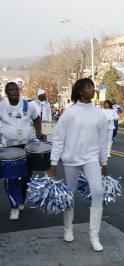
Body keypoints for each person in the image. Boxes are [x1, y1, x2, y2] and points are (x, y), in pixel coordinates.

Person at [49, 78, 109, 252]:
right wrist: (54, 163)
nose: (93, 89)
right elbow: (59, 139)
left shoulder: (99, 114)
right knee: (70, 193)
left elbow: (103, 141)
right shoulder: (69, 113)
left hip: (91, 158)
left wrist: (103, 162)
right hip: (71, 159)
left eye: (93, 87)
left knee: (98, 191)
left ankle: (94, 236)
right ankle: (68, 228)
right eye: (89, 87)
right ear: (80, 91)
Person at [0, 82, 43, 220]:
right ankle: (14, 206)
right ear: (6, 92)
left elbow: (37, 118)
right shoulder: (1, 106)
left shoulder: (28, 105)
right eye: (11, 90)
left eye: (16, 89)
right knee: (11, 177)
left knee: (26, 176)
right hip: (9, 148)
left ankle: (22, 198)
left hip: (26, 146)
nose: (14, 91)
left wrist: (39, 132)